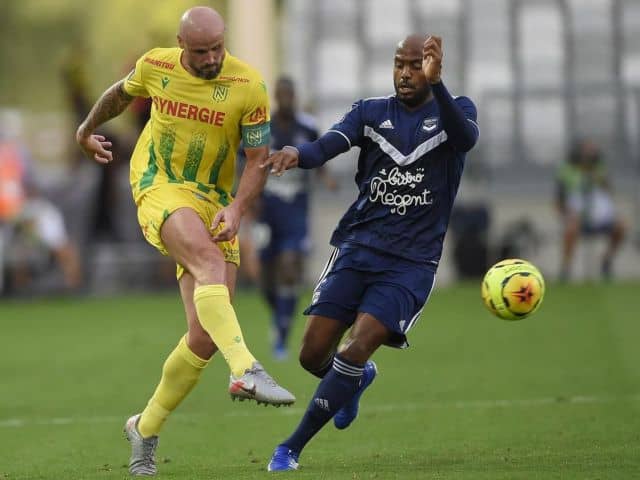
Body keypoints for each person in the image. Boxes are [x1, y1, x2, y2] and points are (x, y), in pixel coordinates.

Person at [75, 6, 295, 476]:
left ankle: (145, 427)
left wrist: (236, 209)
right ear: (181, 45)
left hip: (215, 200)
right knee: (208, 266)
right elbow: (120, 94)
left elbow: (257, 159)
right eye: (200, 52)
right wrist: (85, 129)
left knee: (204, 336)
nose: (212, 57)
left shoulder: (248, 86)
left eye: (217, 48)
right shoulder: (157, 65)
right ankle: (247, 369)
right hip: (160, 186)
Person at [261, 34, 479, 471]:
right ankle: (355, 383)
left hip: (411, 263)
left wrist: (439, 86)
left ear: (433, 67)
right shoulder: (370, 112)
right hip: (358, 248)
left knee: (356, 346)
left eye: (415, 65)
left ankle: (290, 447)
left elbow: (466, 139)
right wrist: (294, 154)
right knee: (311, 356)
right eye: (399, 64)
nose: (404, 73)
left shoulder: (457, 110)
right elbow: (325, 147)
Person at [255, 75, 337, 360]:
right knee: (265, 280)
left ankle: (282, 334)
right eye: (282, 94)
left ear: (295, 96)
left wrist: (326, 178)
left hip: (295, 212)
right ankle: (279, 314)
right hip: (266, 210)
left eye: (291, 94)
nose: (287, 99)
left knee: (289, 268)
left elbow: (319, 156)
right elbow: (249, 163)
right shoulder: (263, 128)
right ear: (276, 97)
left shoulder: (308, 127)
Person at [0, 134, 82, 294]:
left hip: (24, 209)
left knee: (52, 230)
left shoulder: (15, 153)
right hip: (6, 217)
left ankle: (75, 285)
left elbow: (30, 186)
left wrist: (22, 212)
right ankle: (16, 288)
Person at [555, 138, 626, 280]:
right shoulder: (567, 170)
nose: (588, 155)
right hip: (578, 218)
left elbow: (609, 190)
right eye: (585, 150)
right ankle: (566, 268)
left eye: (591, 151)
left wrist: (597, 176)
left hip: (601, 218)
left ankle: (606, 260)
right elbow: (559, 199)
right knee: (571, 229)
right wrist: (566, 215)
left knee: (621, 226)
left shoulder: (600, 169)